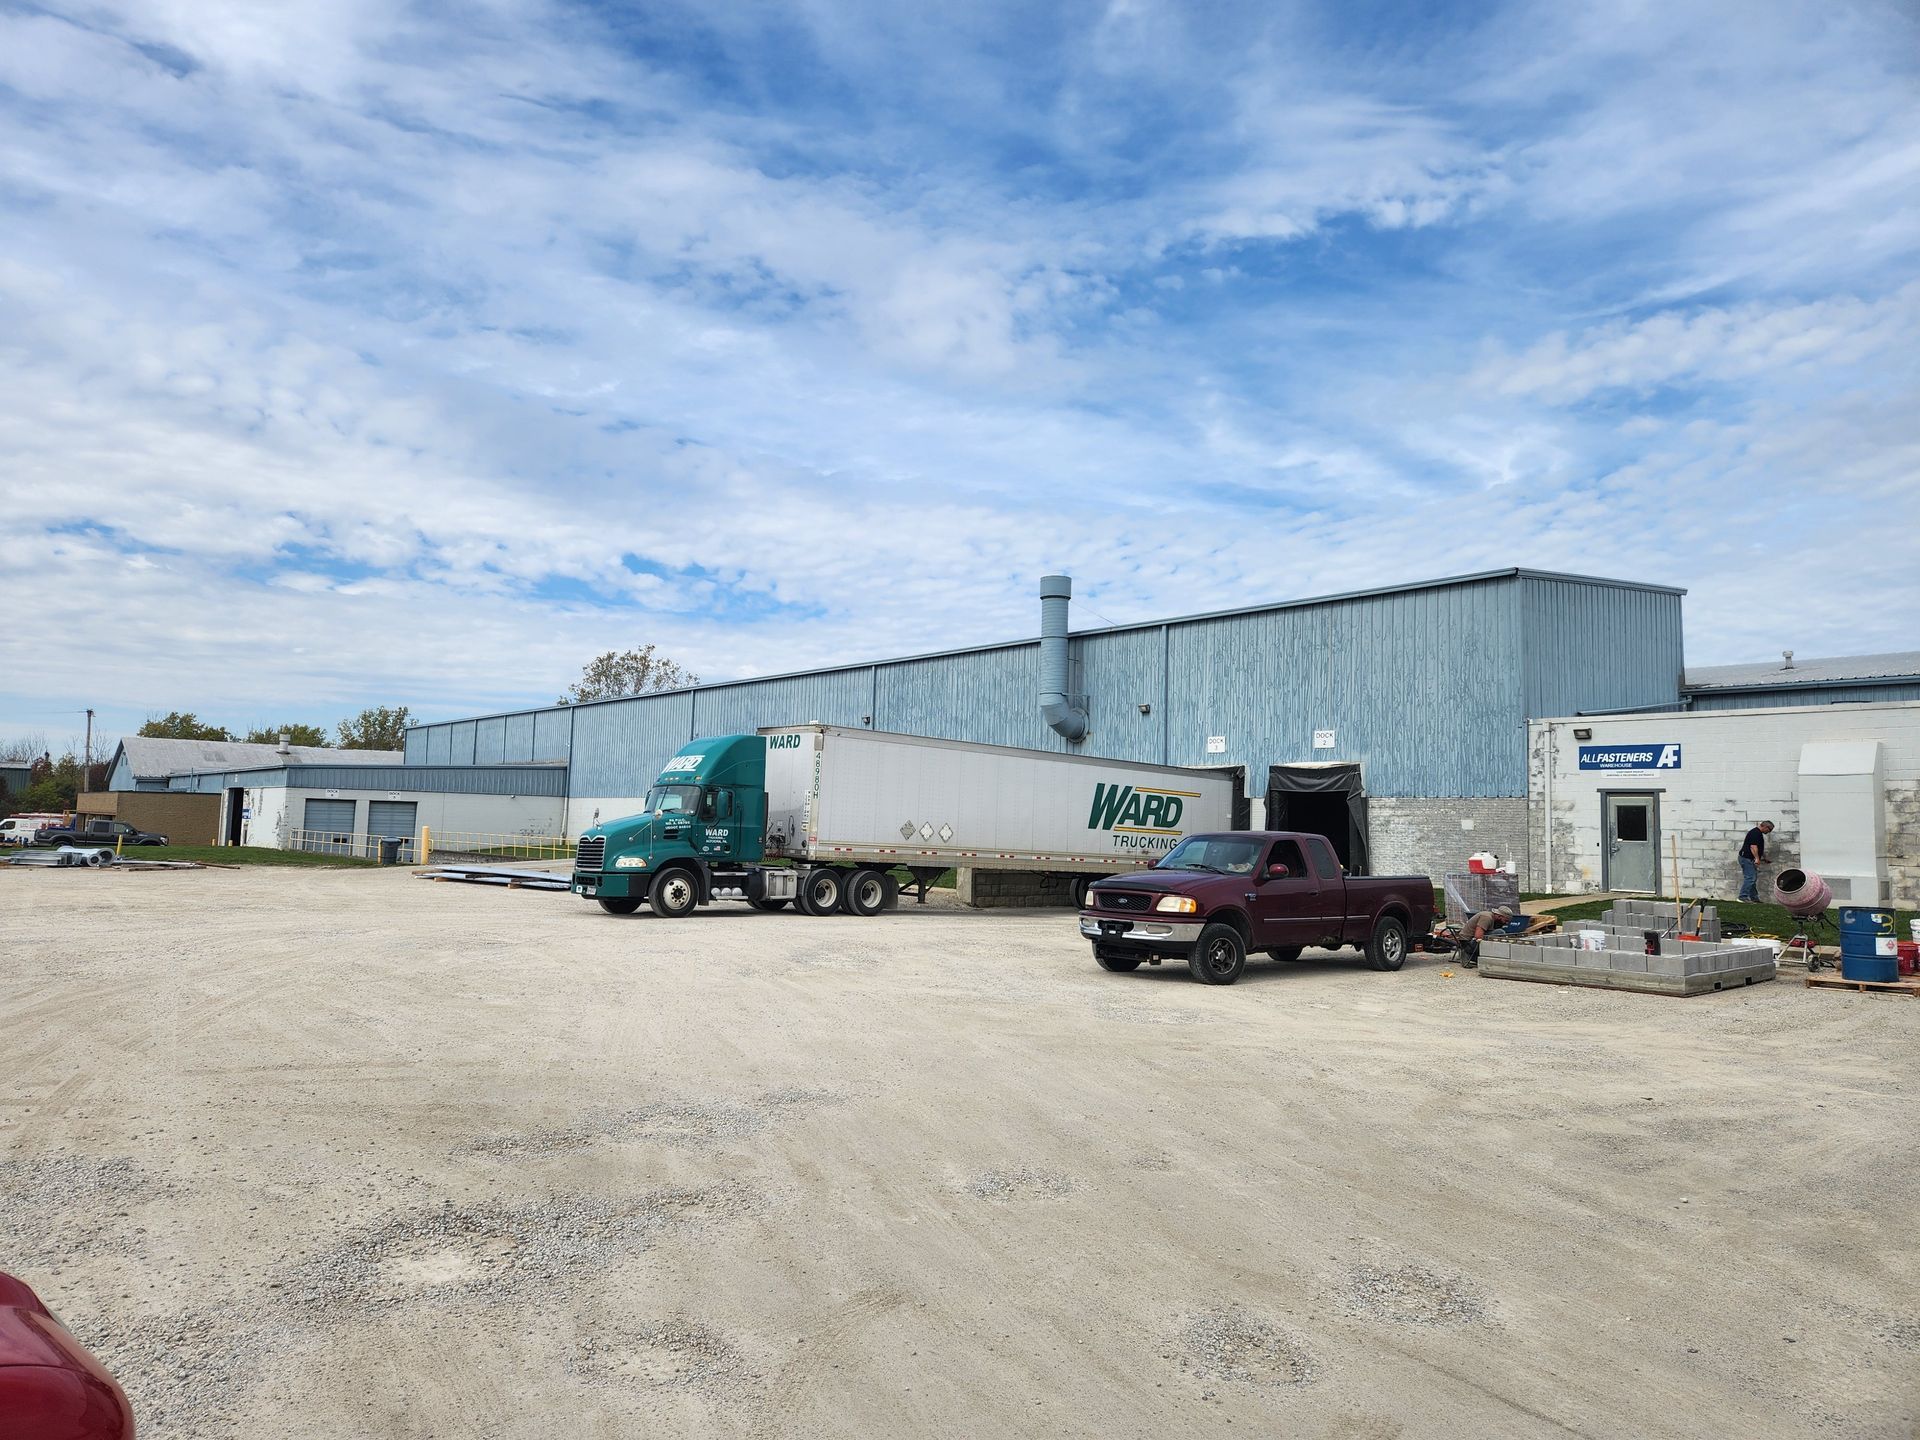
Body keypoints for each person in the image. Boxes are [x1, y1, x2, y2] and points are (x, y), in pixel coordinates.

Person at [1738, 820, 1774, 902]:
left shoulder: (1758, 833)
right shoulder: (1755, 833)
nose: (1769, 832)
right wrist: (1757, 859)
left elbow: (1759, 848)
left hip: (1748, 858)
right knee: (1750, 878)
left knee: (1752, 878)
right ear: (1765, 827)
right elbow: (1753, 847)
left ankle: (1754, 898)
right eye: (1769, 830)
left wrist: (1764, 857)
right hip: (1746, 858)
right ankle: (1742, 897)